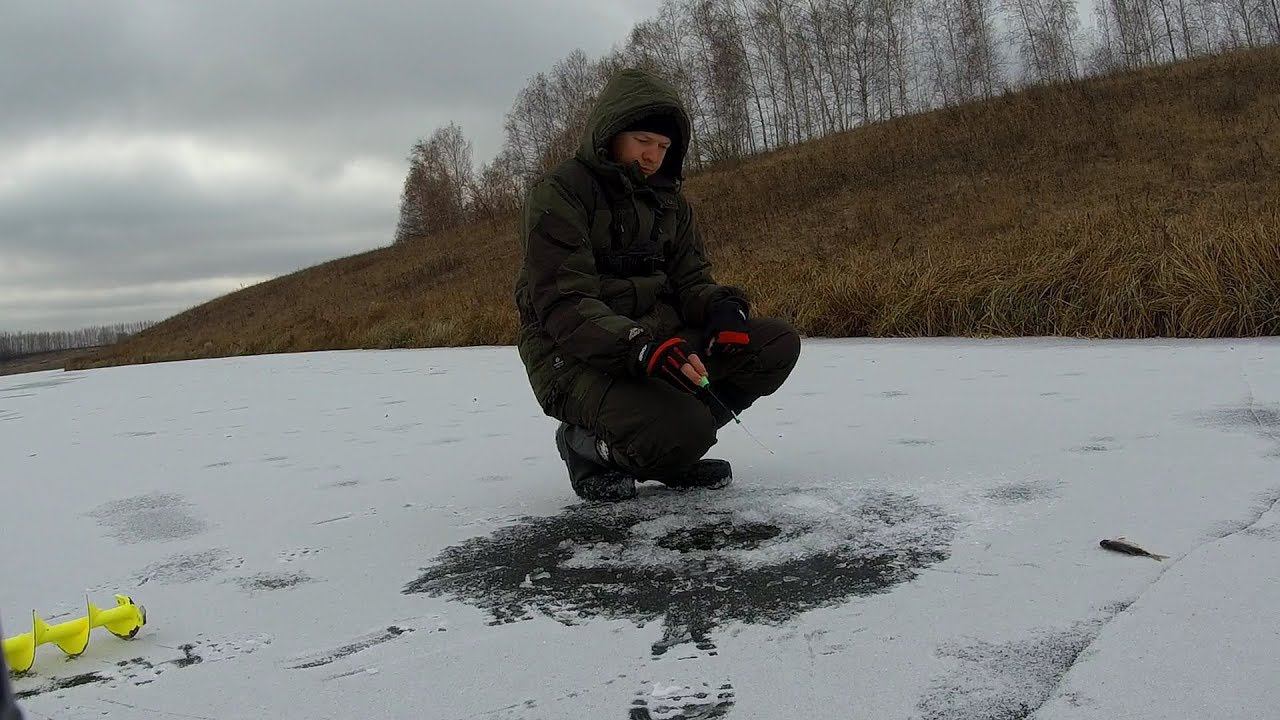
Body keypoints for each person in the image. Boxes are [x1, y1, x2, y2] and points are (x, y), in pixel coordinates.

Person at [513, 67, 801, 502]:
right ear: (610, 133)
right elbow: (564, 303)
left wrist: (722, 308)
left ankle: (670, 447)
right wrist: (641, 346)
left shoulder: (673, 206)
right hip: (570, 357)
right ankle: (586, 448)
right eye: (643, 141)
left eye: (663, 146)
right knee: (683, 430)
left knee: (774, 344)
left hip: (657, 348)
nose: (652, 156)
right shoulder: (560, 193)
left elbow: (691, 281)